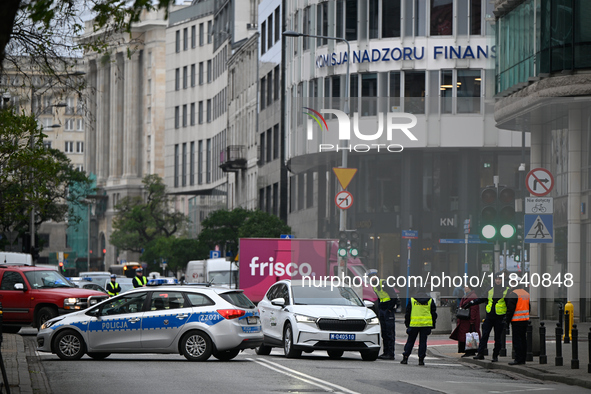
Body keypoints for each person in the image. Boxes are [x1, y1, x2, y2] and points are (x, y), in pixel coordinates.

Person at [467, 271, 511, 361]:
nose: (498, 281)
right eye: (496, 279)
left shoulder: (507, 289)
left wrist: (506, 317)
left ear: (502, 280)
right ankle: (480, 353)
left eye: (499, 279)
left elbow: (509, 304)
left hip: (500, 316)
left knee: (498, 338)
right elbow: (483, 298)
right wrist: (472, 302)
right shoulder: (490, 288)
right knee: (485, 335)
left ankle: (495, 355)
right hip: (490, 316)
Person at [401, 287, 437, 366]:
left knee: (410, 341)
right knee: (423, 342)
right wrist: (433, 325)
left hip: (414, 324)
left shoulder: (412, 300)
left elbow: (408, 313)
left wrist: (407, 324)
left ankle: (405, 357)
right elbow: (433, 314)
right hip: (426, 324)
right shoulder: (430, 300)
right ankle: (421, 360)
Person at [369, 269, 400, 360]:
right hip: (383, 310)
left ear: (376, 275)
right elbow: (379, 298)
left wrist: (390, 308)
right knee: (384, 333)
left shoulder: (384, 283)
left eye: (373, 275)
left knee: (389, 332)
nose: (372, 278)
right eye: (370, 276)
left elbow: (394, 297)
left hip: (387, 310)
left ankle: (390, 354)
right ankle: (386, 352)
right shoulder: (375, 285)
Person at [450, 284, 481, 357]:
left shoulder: (472, 296)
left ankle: (469, 351)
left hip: (468, 320)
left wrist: (472, 320)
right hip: (464, 320)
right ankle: (469, 350)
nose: (465, 288)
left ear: (470, 288)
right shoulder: (467, 296)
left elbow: (474, 309)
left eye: (466, 287)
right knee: (467, 336)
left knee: (469, 335)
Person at [505, 279, 530, 365]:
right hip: (525, 320)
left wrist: (506, 322)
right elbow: (528, 307)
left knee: (517, 340)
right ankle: (523, 359)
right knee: (523, 340)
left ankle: (518, 359)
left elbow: (510, 310)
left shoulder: (513, 294)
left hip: (516, 320)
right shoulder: (526, 293)